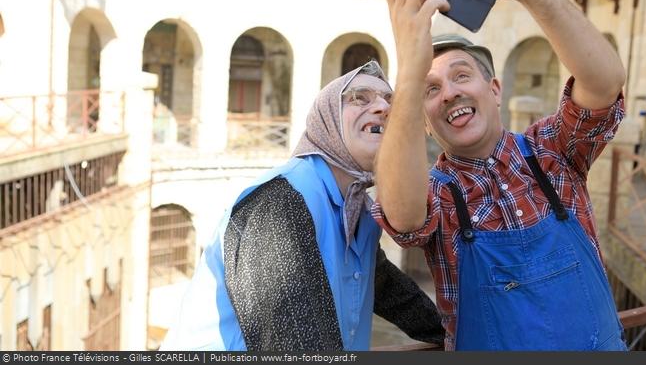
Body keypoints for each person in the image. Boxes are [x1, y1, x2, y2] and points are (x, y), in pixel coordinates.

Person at [372, 0, 628, 351]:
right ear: (421, 120)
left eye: (460, 75)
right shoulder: (436, 194)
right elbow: (402, 216)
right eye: (429, 89)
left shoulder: (553, 152)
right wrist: (409, 70)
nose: (449, 93)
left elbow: (604, 83)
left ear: (494, 89)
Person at [161, 61, 445, 351]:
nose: (383, 108)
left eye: (390, 101)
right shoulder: (279, 203)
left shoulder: (358, 212)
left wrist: (454, 336)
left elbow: (391, 291)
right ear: (327, 119)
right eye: (360, 97)